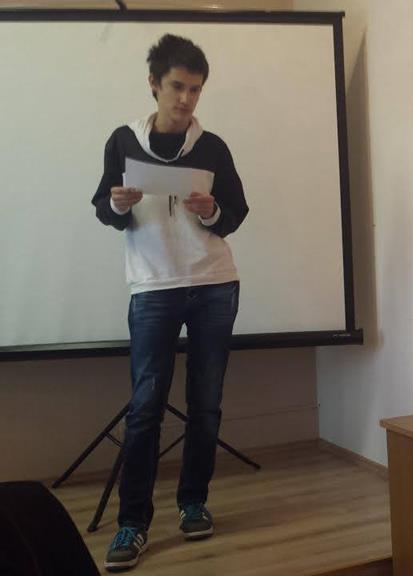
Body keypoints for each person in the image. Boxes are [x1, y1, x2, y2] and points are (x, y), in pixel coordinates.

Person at [91, 34, 248, 572]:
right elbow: (104, 207)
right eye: (177, 86)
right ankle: (132, 523)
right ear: (154, 84)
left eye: (195, 89)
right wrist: (117, 204)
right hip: (153, 287)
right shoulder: (124, 141)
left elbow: (236, 212)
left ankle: (193, 503)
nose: (186, 99)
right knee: (145, 410)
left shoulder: (213, 146)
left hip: (214, 284)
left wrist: (211, 212)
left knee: (205, 405)